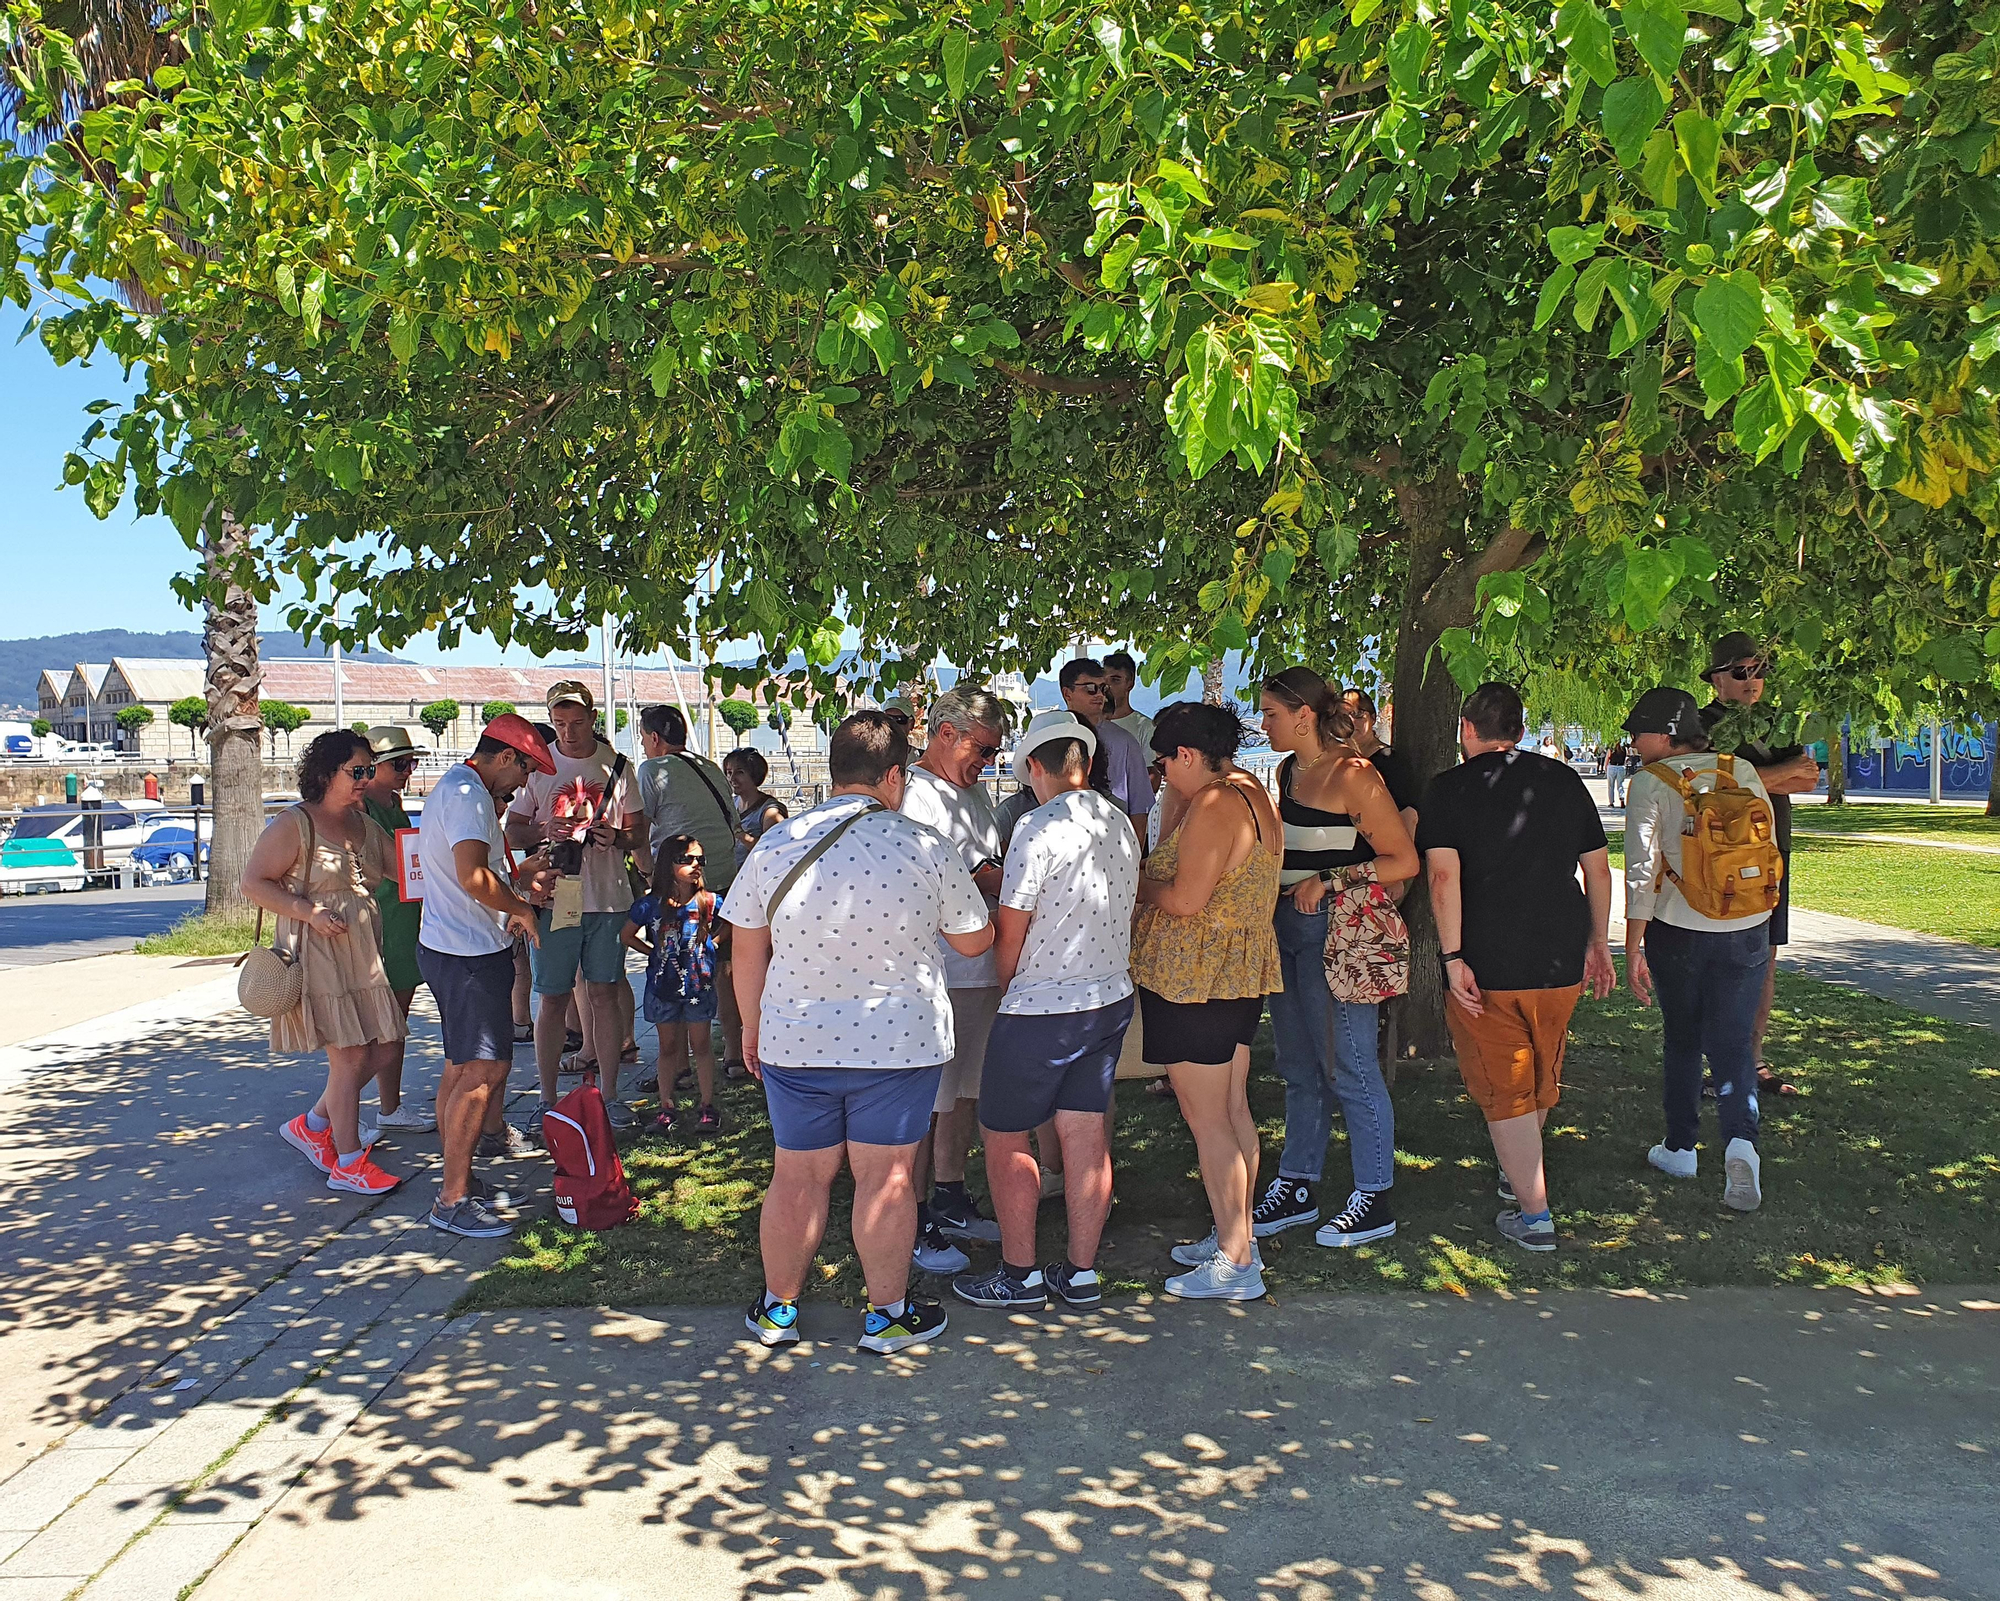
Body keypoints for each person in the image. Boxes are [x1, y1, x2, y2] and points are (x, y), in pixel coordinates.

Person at [725, 711, 993, 1352]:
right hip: (897, 1042)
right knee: (889, 1178)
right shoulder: (925, 845)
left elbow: (745, 947)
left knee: (796, 1175)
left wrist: (752, 1025)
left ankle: (777, 1311)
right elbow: (974, 937)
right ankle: (887, 1315)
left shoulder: (778, 842)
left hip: (796, 1037)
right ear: (894, 775)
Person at [1417, 682, 1616, 1253]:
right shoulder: (1564, 779)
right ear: (1521, 731)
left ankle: (1534, 1216)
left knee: (1505, 1085)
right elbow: (1597, 872)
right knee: (1538, 1072)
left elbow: (1443, 877)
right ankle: (1518, 1174)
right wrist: (1599, 940)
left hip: (1488, 957)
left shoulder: (1447, 790)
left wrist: (1452, 957)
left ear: (1466, 729)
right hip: (1560, 953)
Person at [951, 712, 1140, 1311]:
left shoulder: (1036, 827)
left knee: (1005, 1135)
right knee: (1085, 1131)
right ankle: (1080, 1271)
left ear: (1037, 766)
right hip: (1107, 997)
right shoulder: (1120, 823)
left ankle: (1019, 1271)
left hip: (1041, 1004)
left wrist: (1007, 986)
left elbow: (1012, 929)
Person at [1256, 668, 1417, 1247]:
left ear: (1303, 715)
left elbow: (1403, 860)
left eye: (1271, 714)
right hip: (1287, 929)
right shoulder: (1288, 770)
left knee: (1350, 1065)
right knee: (1299, 1066)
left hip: (1337, 935)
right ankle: (1299, 1182)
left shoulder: (1355, 775)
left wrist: (1329, 879)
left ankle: (1374, 1196)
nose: (1263, 724)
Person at [1133, 702, 1283, 1301]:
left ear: (1187, 755)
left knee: (1209, 1122)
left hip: (1195, 979)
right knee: (1234, 1110)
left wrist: (1134, 884)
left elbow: (1184, 899)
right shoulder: (1249, 790)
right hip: (1235, 976)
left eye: (1166, 762)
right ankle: (1237, 1232)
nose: (1164, 774)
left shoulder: (1217, 804)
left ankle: (1235, 1260)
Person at [1622, 687, 1773, 1212]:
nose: (1634, 743)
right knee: (1733, 1043)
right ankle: (1741, 1143)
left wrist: (1631, 943)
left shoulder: (1650, 783)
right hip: (1748, 922)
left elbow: (1642, 872)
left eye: (1638, 733)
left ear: (1664, 734)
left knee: (1683, 1037)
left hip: (1679, 928)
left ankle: (1681, 1147)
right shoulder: (1742, 772)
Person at [248, 731, 410, 1197]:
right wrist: (309, 912)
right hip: (319, 951)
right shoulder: (294, 824)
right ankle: (348, 1160)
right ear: (325, 774)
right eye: (356, 771)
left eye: (368, 770)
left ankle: (314, 1124)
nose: (365, 779)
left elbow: (402, 867)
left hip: (362, 951)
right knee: (353, 1054)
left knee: (382, 1045)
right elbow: (254, 883)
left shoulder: (361, 824)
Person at [417, 715, 556, 1237]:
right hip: (470, 955)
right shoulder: (470, 795)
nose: (522, 785)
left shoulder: (457, 786)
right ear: (505, 757)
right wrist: (521, 907)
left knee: (460, 1070)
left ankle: (461, 1180)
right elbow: (473, 878)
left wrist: (521, 884)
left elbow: (482, 871)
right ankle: (451, 1199)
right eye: (524, 772)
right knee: (483, 1074)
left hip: (455, 948)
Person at [896, 688, 1013, 1270]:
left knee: (963, 1092)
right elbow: (978, 877)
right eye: (983, 748)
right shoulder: (918, 797)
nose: (988, 761)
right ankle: (911, 1217)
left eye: (994, 752)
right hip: (936, 971)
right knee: (925, 1101)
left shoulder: (972, 794)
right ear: (946, 732)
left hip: (977, 968)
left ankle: (948, 1194)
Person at [506, 682, 643, 1131]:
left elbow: (638, 834)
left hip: (606, 898)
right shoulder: (539, 765)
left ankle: (609, 1094)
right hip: (556, 895)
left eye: (577, 722)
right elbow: (514, 831)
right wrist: (550, 827)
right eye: (560, 722)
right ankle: (546, 1099)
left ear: (592, 718)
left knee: (604, 993)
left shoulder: (619, 765)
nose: (567, 732)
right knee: (552, 998)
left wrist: (616, 837)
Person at [1699, 632, 1820, 1099]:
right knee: (1725, 959)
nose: (1752, 681)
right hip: (1722, 855)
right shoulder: (1702, 725)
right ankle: (1719, 1067)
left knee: (1766, 957)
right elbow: (1707, 788)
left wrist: (1745, 782)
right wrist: (1765, 781)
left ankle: (1752, 1062)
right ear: (1717, 681)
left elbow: (1807, 777)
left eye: (1759, 670)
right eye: (1740, 672)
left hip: (1773, 851)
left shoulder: (1778, 724)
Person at [638, 703, 745, 1072]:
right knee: (724, 969)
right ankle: (733, 1052)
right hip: (724, 877)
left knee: (676, 965)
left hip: (682, 882)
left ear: (654, 738)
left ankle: (679, 1062)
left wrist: (648, 872)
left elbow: (640, 827)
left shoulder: (653, 770)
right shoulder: (710, 768)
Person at [623, 834, 725, 1133]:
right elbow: (626, 934)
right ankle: (666, 1105)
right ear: (668, 864)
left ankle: (708, 1105)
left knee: (702, 1044)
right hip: (663, 987)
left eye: (700, 860)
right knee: (667, 1047)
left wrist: (714, 943)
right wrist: (653, 952)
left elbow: (732, 922)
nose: (696, 866)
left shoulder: (708, 901)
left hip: (699, 986)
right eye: (687, 859)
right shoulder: (650, 904)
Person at [359, 725, 434, 1133]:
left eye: (412, 762)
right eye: (400, 764)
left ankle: (389, 1108)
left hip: (405, 921)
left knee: (395, 1024)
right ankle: (332, 1114)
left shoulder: (392, 802)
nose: (409, 770)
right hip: (377, 923)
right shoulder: (361, 807)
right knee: (372, 1028)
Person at [1060, 658, 1153, 826]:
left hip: (1114, 838)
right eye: (1090, 688)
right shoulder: (1052, 736)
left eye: (1103, 688)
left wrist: (1136, 851)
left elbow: (1140, 809)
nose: (1099, 695)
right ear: (1067, 693)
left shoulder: (1125, 742)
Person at [1339, 686, 1420, 840]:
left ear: (1373, 718)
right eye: (1343, 717)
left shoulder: (1390, 762)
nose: (1350, 721)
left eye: (1358, 714)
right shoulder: (1335, 762)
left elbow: (1408, 815)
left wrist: (1402, 860)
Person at [723, 746, 787, 867]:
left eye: (740, 772)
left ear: (755, 775)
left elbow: (775, 849)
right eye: (729, 772)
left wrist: (741, 835)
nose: (732, 779)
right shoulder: (731, 803)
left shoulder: (770, 811)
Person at [1102, 650, 1155, 752]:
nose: (1107, 686)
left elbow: (1150, 768)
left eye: (1115, 680)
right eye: (1103, 681)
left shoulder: (1145, 728)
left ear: (1130, 683)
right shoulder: (1092, 725)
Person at [1605, 738, 1632, 807]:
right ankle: (1622, 799)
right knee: (1620, 785)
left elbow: (1607, 758)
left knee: (1611, 786)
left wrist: (1605, 767)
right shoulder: (1624, 749)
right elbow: (1626, 758)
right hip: (1621, 767)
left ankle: (1611, 802)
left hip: (1612, 767)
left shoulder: (1611, 749)